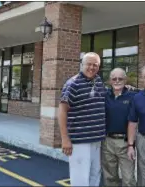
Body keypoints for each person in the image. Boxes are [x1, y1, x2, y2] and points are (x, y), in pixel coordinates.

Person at [102, 67, 145, 187]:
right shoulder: (104, 95)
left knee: (128, 179)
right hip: (107, 142)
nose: (117, 81)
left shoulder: (134, 95)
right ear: (110, 81)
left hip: (125, 143)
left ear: (125, 80)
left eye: (120, 78)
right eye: (114, 78)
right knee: (109, 177)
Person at [58, 52, 106, 186]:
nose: (92, 67)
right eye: (88, 64)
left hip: (97, 140)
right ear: (82, 65)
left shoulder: (98, 81)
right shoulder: (73, 84)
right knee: (80, 180)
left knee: (94, 176)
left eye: (95, 65)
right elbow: (62, 111)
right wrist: (65, 138)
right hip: (80, 142)